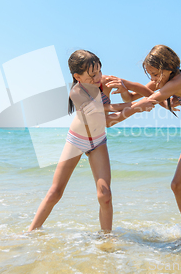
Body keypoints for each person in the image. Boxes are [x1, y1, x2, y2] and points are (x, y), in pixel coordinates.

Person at [28, 49, 156, 233]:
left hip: (98, 141)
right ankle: (30, 233)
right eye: (92, 75)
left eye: (99, 72)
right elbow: (104, 113)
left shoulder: (105, 81)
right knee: (55, 192)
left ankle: (105, 240)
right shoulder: (76, 93)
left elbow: (137, 89)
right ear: (77, 76)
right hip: (77, 141)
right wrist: (135, 107)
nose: (98, 78)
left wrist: (159, 96)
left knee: (105, 195)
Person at [107, 45, 181, 238]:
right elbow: (135, 95)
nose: (153, 80)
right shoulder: (165, 80)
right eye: (150, 75)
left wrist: (111, 115)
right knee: (177, 185)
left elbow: (149, 99)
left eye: (155, 74)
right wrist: (122, 87)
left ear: (168, 68)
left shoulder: (180, 82)